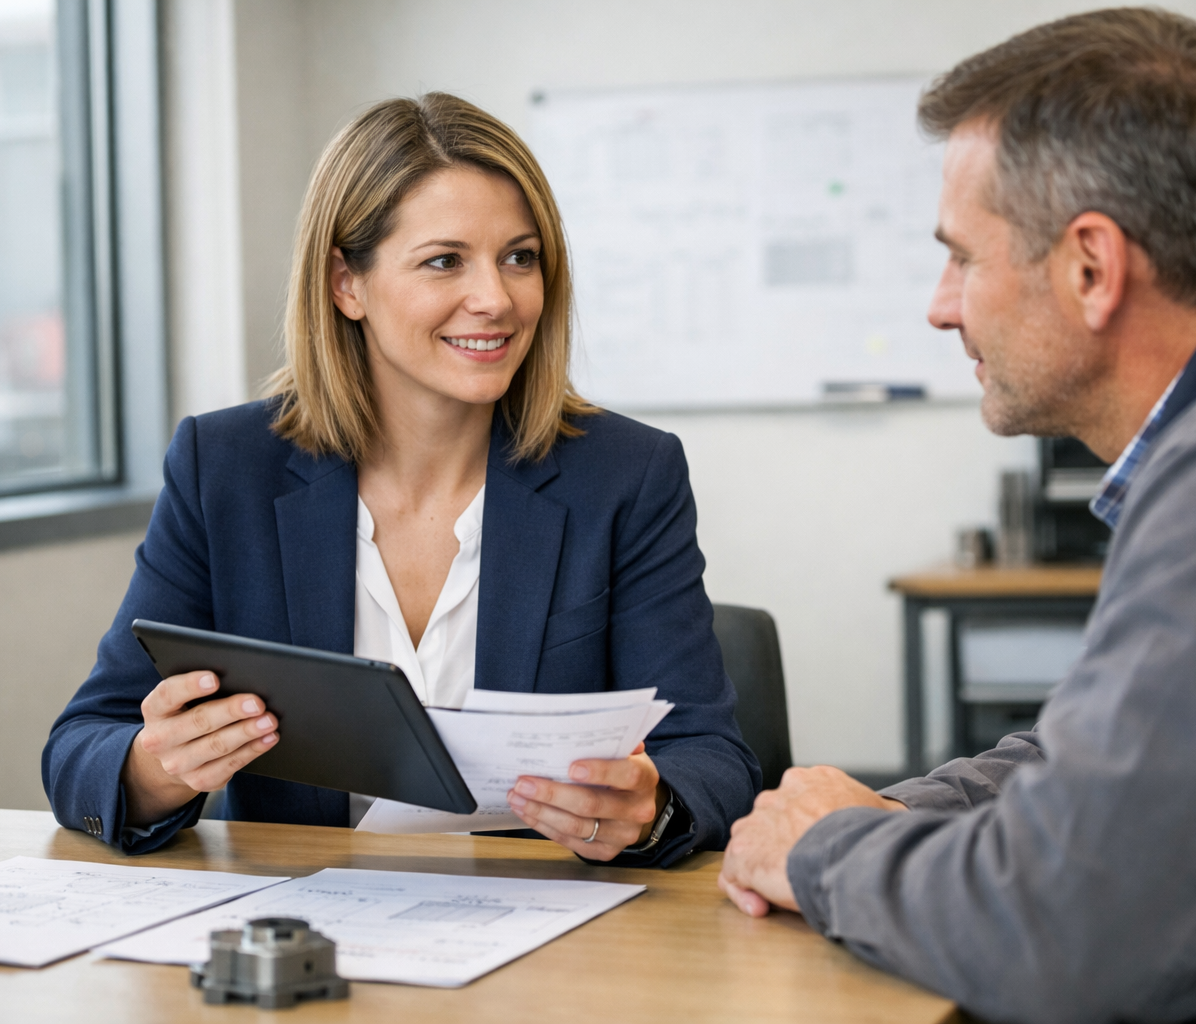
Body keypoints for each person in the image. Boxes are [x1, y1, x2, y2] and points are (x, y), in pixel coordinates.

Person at [718, 9, 1196, 1022]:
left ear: (1092, 268)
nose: (940, 307)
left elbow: (1066, 935)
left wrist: (828, 848)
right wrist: (892, 811)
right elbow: (1096, 755)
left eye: (962, 258)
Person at [44, 93, 760, 867]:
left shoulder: (624, 475)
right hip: (306, 929)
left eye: (520, 257)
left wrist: (649, 809)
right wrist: (158, 769)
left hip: (547, 936)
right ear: (346, 284)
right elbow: (83, 747)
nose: (496, 298)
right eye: (445, 261)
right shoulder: (224, 470)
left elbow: (712, 758)